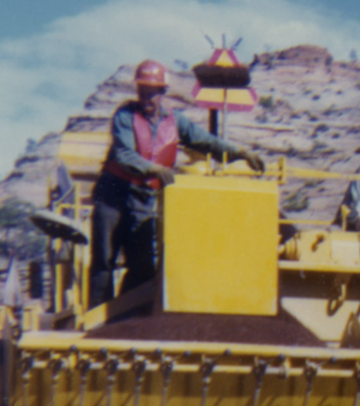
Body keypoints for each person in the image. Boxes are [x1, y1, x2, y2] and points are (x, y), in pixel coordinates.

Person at [88, 59, 267, 307]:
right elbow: (124, 155)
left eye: (152, 93)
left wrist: (240, 153)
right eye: (143, 91)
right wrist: (154, 168)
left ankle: (123, 316)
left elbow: (205, 141)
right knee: (104, 260)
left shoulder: (175, 120)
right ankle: (95, 320)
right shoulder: (124, 115)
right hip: (113, 194)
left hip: (142, 197)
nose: (147, 98)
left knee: (142, 266)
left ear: (163, 92)